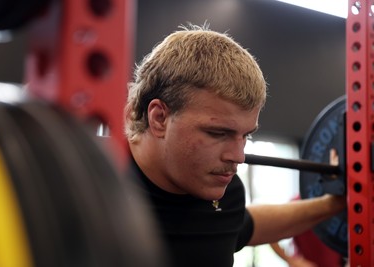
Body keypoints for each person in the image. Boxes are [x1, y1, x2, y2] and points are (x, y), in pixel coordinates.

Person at [124, 23, 346, 267]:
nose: (238, 157)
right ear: (159, 118)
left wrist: (338, 201)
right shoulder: (94, 189)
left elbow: (244, 224)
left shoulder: (225, 195)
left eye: (246, 136)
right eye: (218, 133)